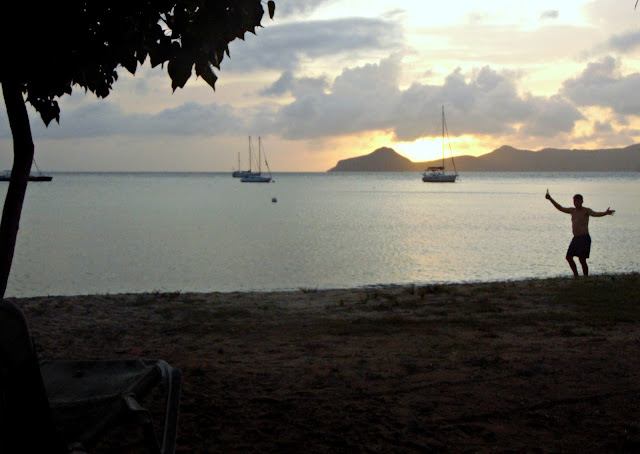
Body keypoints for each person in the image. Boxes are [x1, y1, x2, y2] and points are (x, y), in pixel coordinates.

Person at [546, 191, 615, 277]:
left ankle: (585, 277)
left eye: (578, 201)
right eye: (574, 201)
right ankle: (576, 275)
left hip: (584, 238)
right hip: (576, 238)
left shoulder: (586, 210)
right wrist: (550, 199)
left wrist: (605, 213)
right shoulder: (572, 210)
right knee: (569, 257)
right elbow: (560, 208)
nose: (576, 203)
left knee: (582, 260)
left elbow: (596, 214)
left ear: (582, 201)